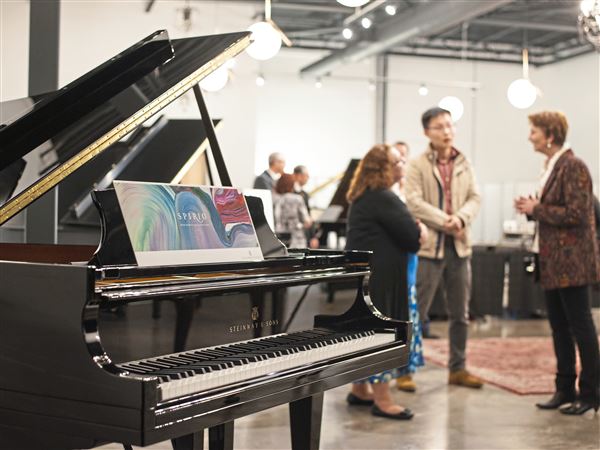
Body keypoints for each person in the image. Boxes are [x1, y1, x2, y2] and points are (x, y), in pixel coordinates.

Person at [515, 111, 600, 415]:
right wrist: (531, 209)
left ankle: (590, 394)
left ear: (549, 135)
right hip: (551, 262)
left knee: (581, 328)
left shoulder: (573, 166)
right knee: (559, 328)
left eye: (534, 132)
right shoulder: (551, 167)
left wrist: (537, 208)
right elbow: (556, 211)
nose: (530, 137)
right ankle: (564, 388)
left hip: (571, 263)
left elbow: (577, 214)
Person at [345, 144, 426, 420]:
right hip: (384, 279)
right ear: (383, 168)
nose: (403, 164)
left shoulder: (363, 196)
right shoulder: (383, 197)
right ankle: (383, 399)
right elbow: (411, 238)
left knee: (368, 334)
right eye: (397, 161)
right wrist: (421, 230)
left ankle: (359, 388)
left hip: (370, 276)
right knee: (384, 334)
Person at [405, 107, 483, 389]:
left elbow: (475, 196)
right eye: (440, 127)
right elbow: (413, 201)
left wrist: (460, 219)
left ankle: (458, 368)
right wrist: (444, 220)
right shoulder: (417, 164)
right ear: (427, 132)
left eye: (450, 125)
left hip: (459, 246)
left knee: (460, 313)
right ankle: (404, 369)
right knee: (417, 311)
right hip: (429, 247)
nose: (447, 131)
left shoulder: (464, 162)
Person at [391, 141, 424, 393]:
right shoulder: (384, 191)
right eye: (397, 158)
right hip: (391, 257)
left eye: (404, 157)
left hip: (408, 257)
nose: (402, 162)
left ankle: (406, 371)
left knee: (410, 314)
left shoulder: (411, 188)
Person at [273, 173, 312, 248]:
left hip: (278, 239)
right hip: (296, 240)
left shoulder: (274, 199)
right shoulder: (297, 199)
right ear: (292, 185)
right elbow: (307, 221)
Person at [293, 165, 319, 249]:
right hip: (293, 233)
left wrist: (313, 236)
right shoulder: (289, 191)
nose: (308, 178)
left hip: (305, 233)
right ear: (298, 175)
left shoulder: (305, 194)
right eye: (306, 175)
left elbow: (308, 215)